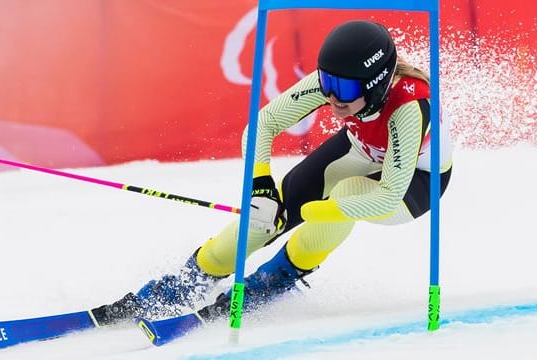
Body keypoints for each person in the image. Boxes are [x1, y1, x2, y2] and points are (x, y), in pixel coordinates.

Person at [90, 20, 452, 326]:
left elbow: (387, 194)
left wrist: (313, 211)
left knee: (345, 195)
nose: (332, 97)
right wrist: (261, 187)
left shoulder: (410, 108)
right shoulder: (338, 85)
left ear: (376, 84)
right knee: (265, 217)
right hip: (360, 151)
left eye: (344, 89)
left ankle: (278, 277)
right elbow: (262, 125)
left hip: (416, 182)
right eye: (327, 83)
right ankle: (186, 281)